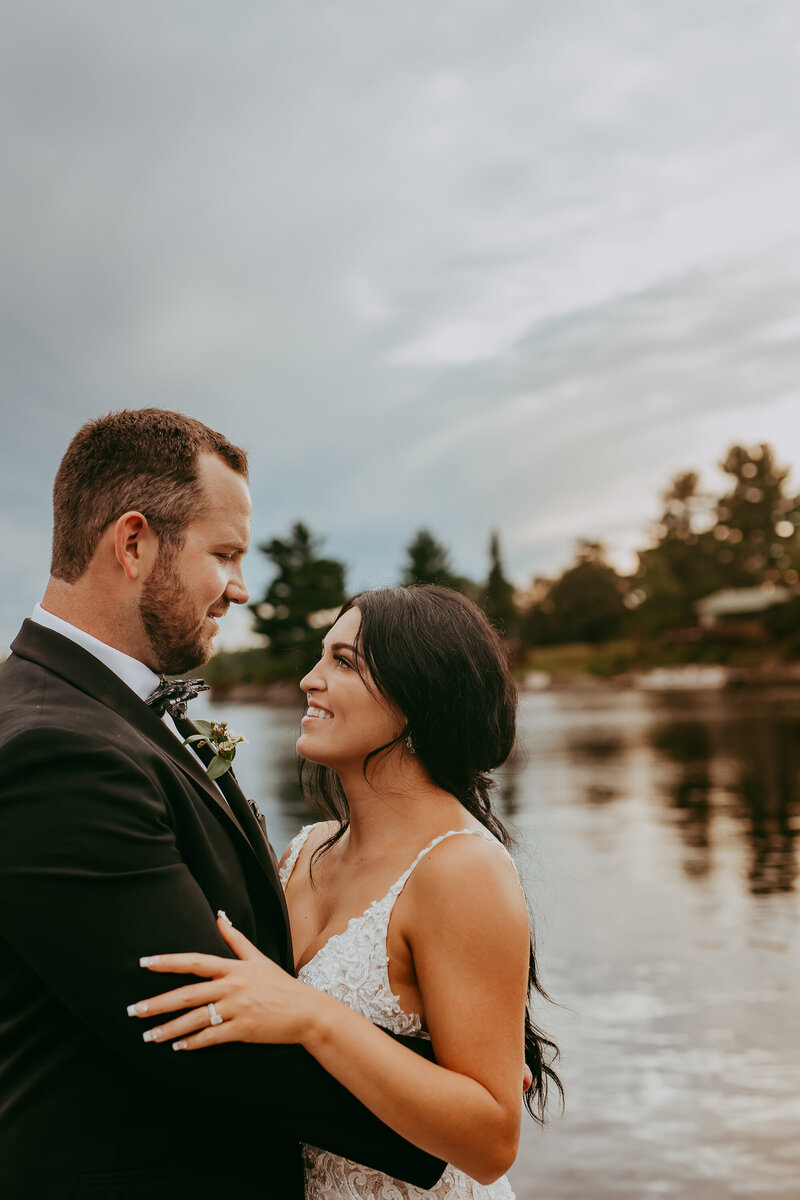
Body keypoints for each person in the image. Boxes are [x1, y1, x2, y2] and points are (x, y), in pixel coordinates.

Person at [0, 410, 444, 1199]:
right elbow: (189, 1019)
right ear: (133, 544)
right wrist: (446, 1102)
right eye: (226, 555)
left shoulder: (92, 711)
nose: (240, 588)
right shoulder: (55, 746)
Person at [130, 585, 562, 1198]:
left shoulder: (461, 870)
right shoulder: (304, 851)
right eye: (319, 656)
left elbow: (492, 1142)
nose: (309, 679)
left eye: (343, 661)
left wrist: (312, 1016)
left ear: (418, 696)